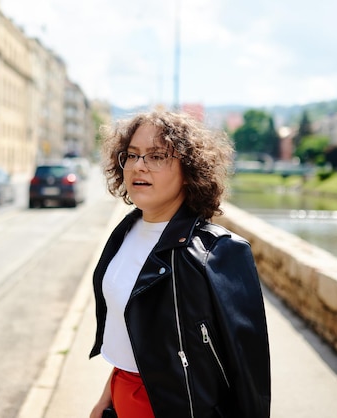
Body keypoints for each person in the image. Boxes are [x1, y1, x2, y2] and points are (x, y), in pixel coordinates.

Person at [89, 109, 270, 418]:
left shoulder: (217, 252)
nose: (138, 166)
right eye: (131, 156)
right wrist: (108, 395)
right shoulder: (124, 233)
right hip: (122, 395)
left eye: (156, 156)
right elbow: (132, 333)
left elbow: (248, 372)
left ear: (189, 170)